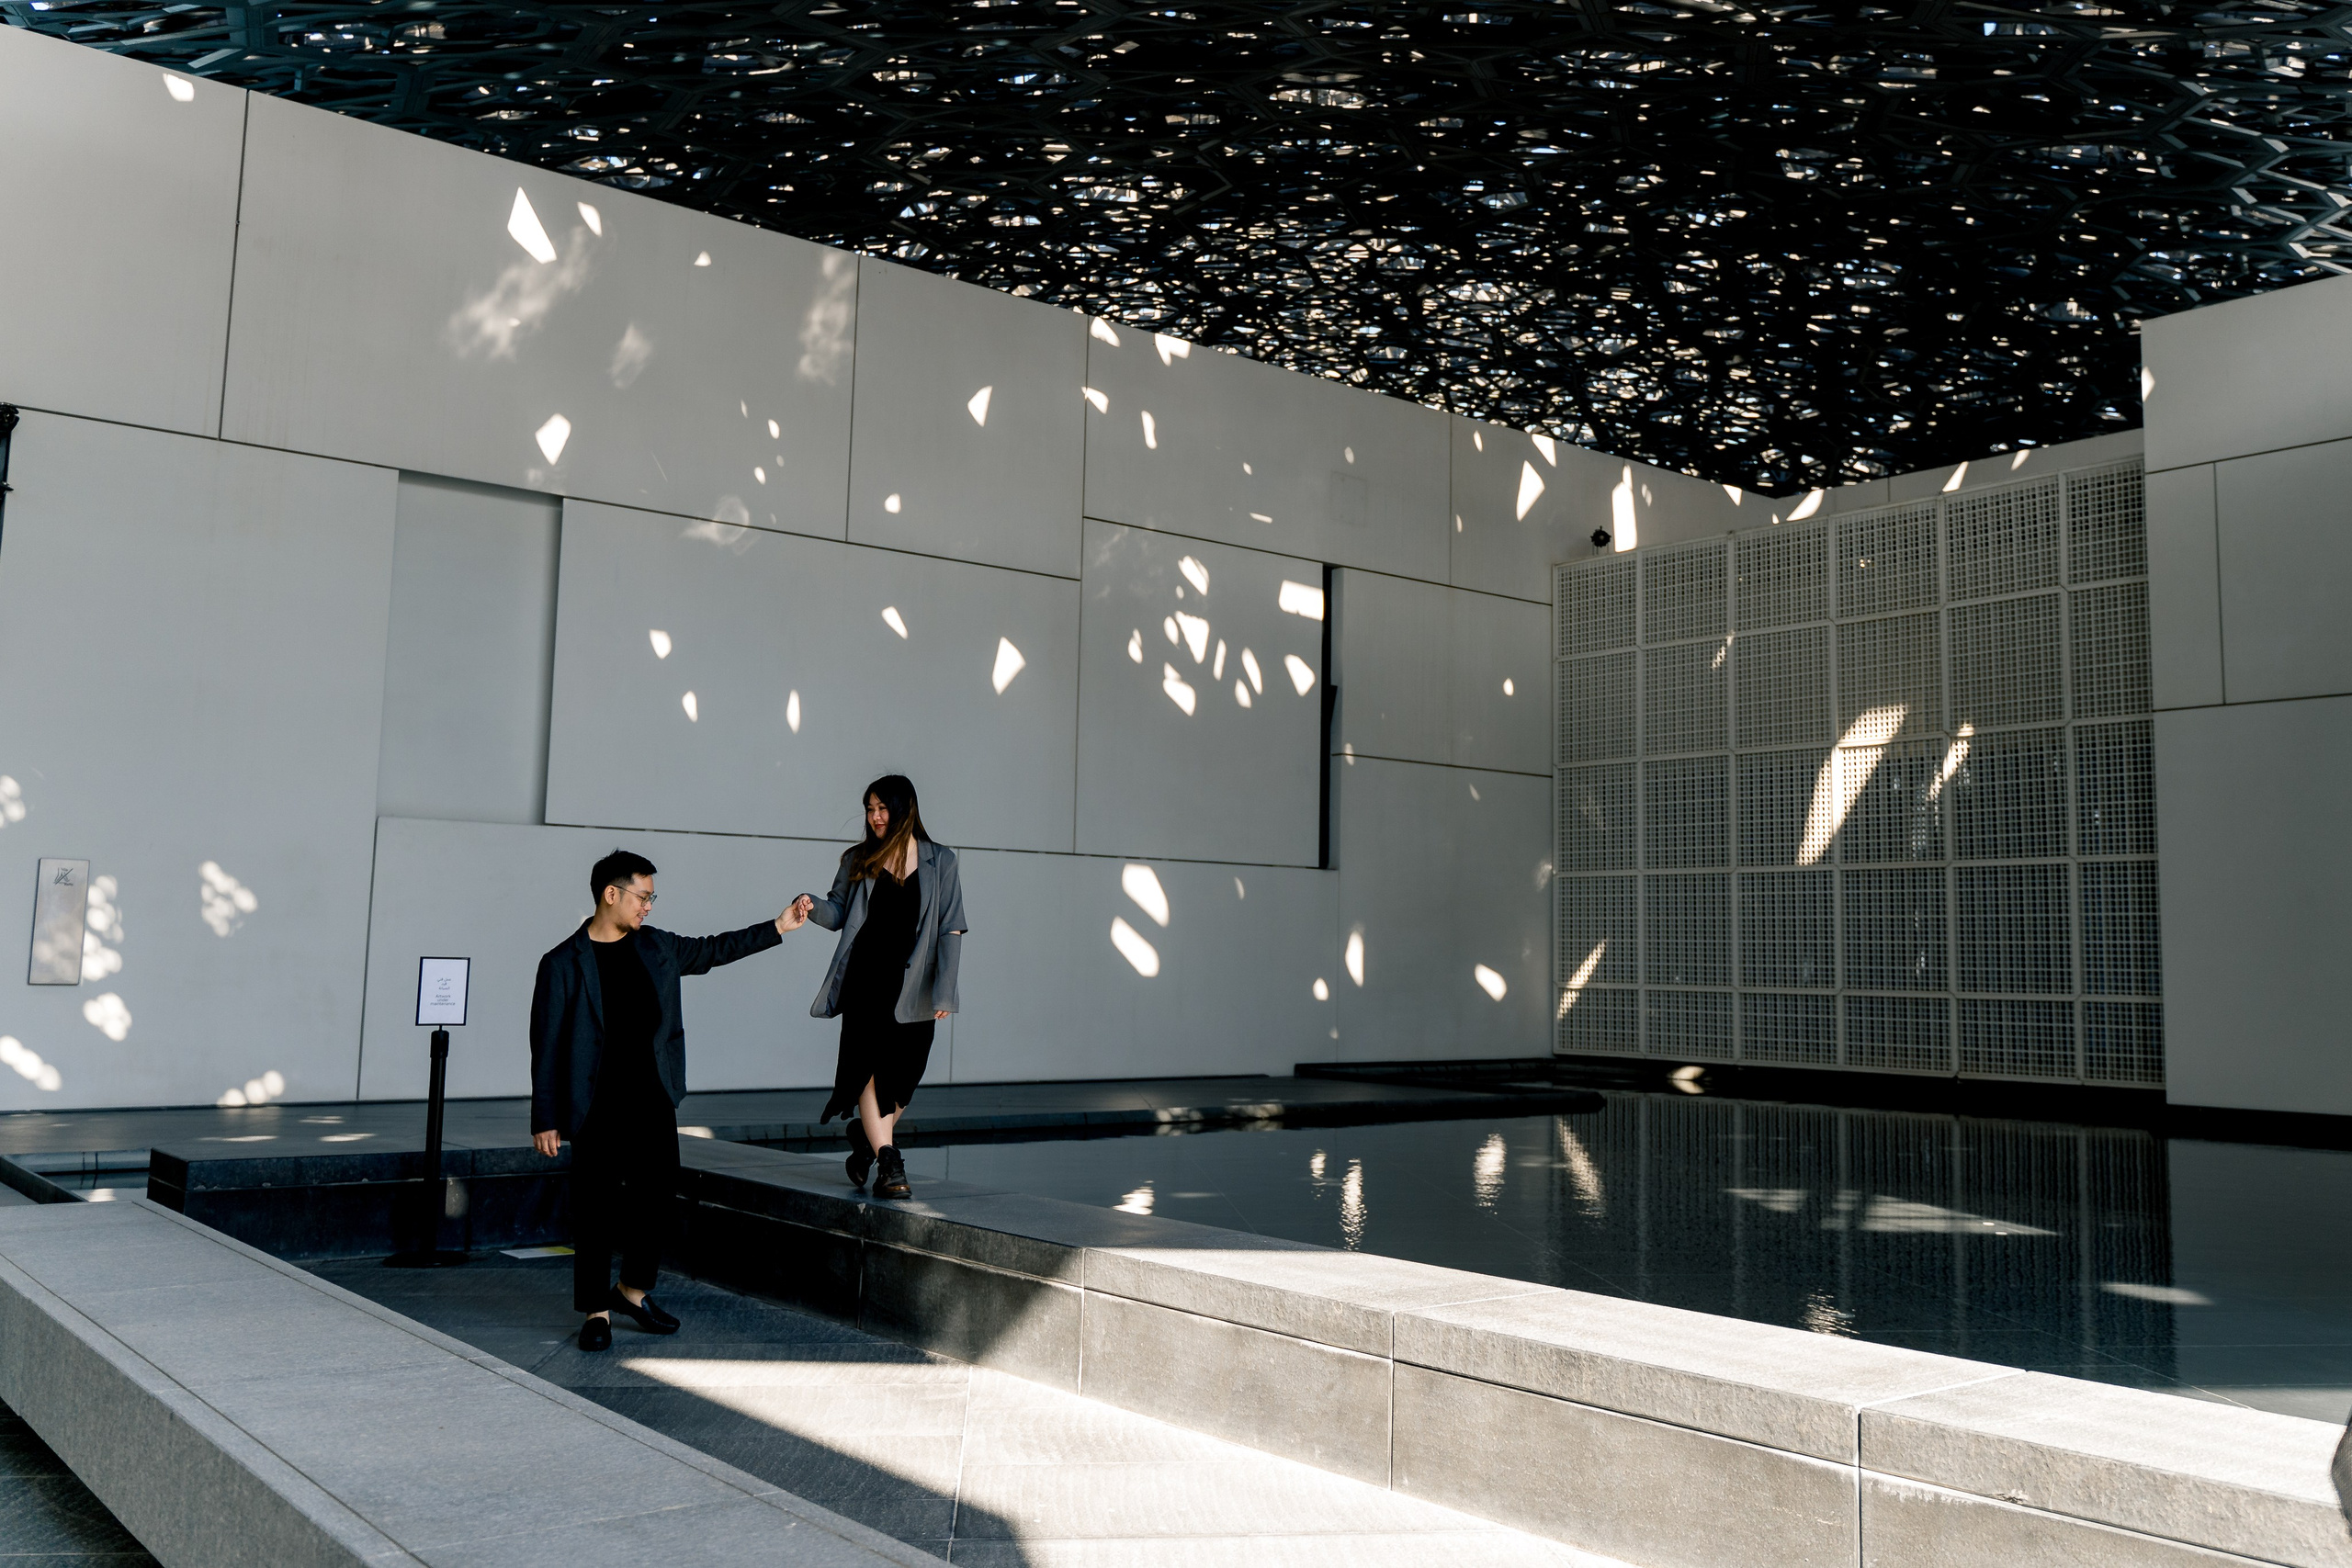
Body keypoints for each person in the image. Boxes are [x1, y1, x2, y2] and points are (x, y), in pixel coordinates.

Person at [529, 848, 813, 1352]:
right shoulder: (561, 963)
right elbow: (546, 1044)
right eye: (642, 896)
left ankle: (631, 1292)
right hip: (593, 1104)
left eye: (652, 898)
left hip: (652, 1096)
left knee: (658, 1195)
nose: (648, 906)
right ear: (610, 894)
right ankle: (596, 1312)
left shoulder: (657, 946)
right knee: (595, 1208)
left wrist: (778, 926)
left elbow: (714, 949)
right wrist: (545, 1116)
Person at [802, 775, 967, 1201]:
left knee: (906, 1075)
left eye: (882, 808)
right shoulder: (859, 858)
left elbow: (950, 928)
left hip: (915, 985)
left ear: (903, 809)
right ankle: (891, 1165)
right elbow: (838, 912)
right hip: (866, 981)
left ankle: (866, 1138)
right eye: (870, 809)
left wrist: (945, 990)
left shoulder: (941, 861)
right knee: (869, 1071)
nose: (875, 817)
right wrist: (812, 906)